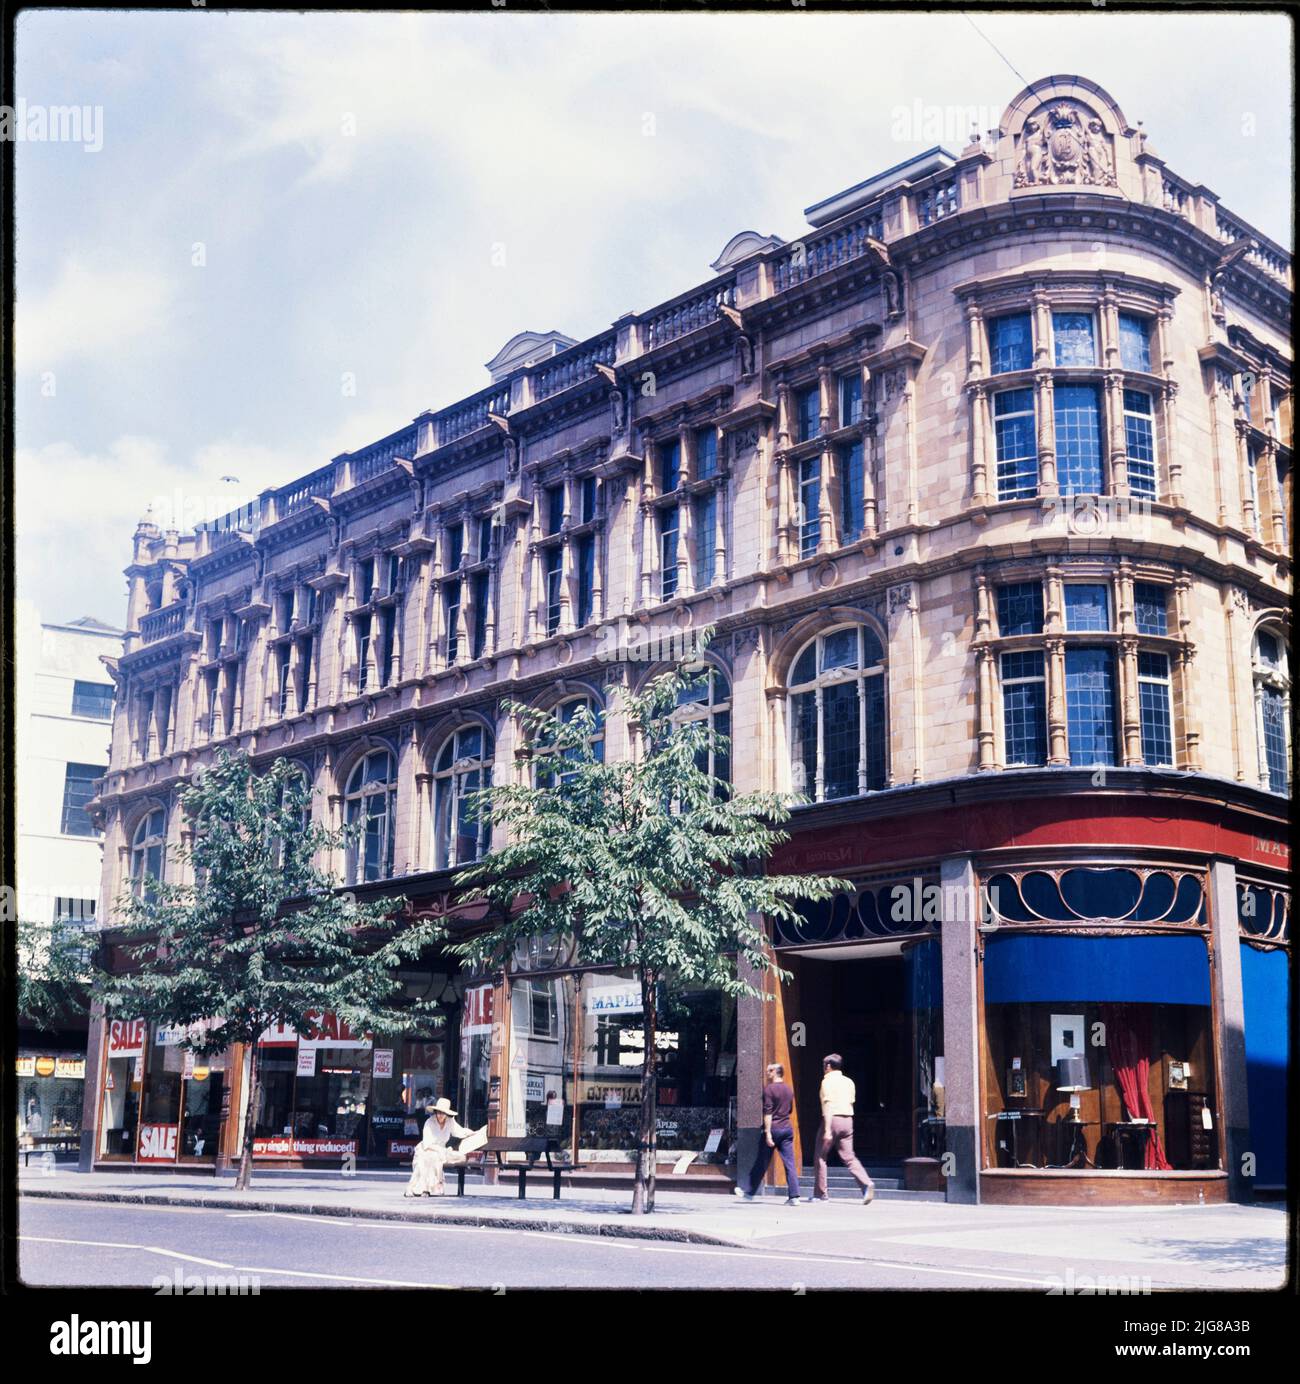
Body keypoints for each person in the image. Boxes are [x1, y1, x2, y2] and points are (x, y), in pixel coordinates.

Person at [810, 1053, 875, 1205]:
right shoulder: (849, 1082)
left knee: (820, 1156)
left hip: (832, 1119)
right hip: (848, 1120)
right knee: (849, 1157)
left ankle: (821, 1194)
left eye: (823, 1065)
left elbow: (827, 1104)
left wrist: (827, 1129)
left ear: (828, 1066)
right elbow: (851, 1102)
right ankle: (866, 1183)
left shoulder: (827, 1082)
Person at [734, 1062, 801, 1204]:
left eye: (770, 1070)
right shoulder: (789, 1090)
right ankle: (794, 1196)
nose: (767, 1072)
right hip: (786, 1129)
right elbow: (789, 1110)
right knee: (790, 1164)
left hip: (774, 1129)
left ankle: (749, 1192)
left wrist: (768, 1132)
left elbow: (768, 1112)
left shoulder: (769, 1090)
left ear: (776, 1072)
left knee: (761, 1162)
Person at [404, 1097, 480, 1197]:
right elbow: (427, 1144)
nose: (440, 1115)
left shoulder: (450, 1121)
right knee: (428, 1159)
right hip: (427, 1149)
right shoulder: (429, 1122)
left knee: (461, 1156)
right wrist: (440, 1151)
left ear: (446, 1113)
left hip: (442, 1151)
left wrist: (473, 1133)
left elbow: (460, 1132)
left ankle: (432, 1189)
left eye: (443, 1113)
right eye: (438, 1112)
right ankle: (422, 1189)